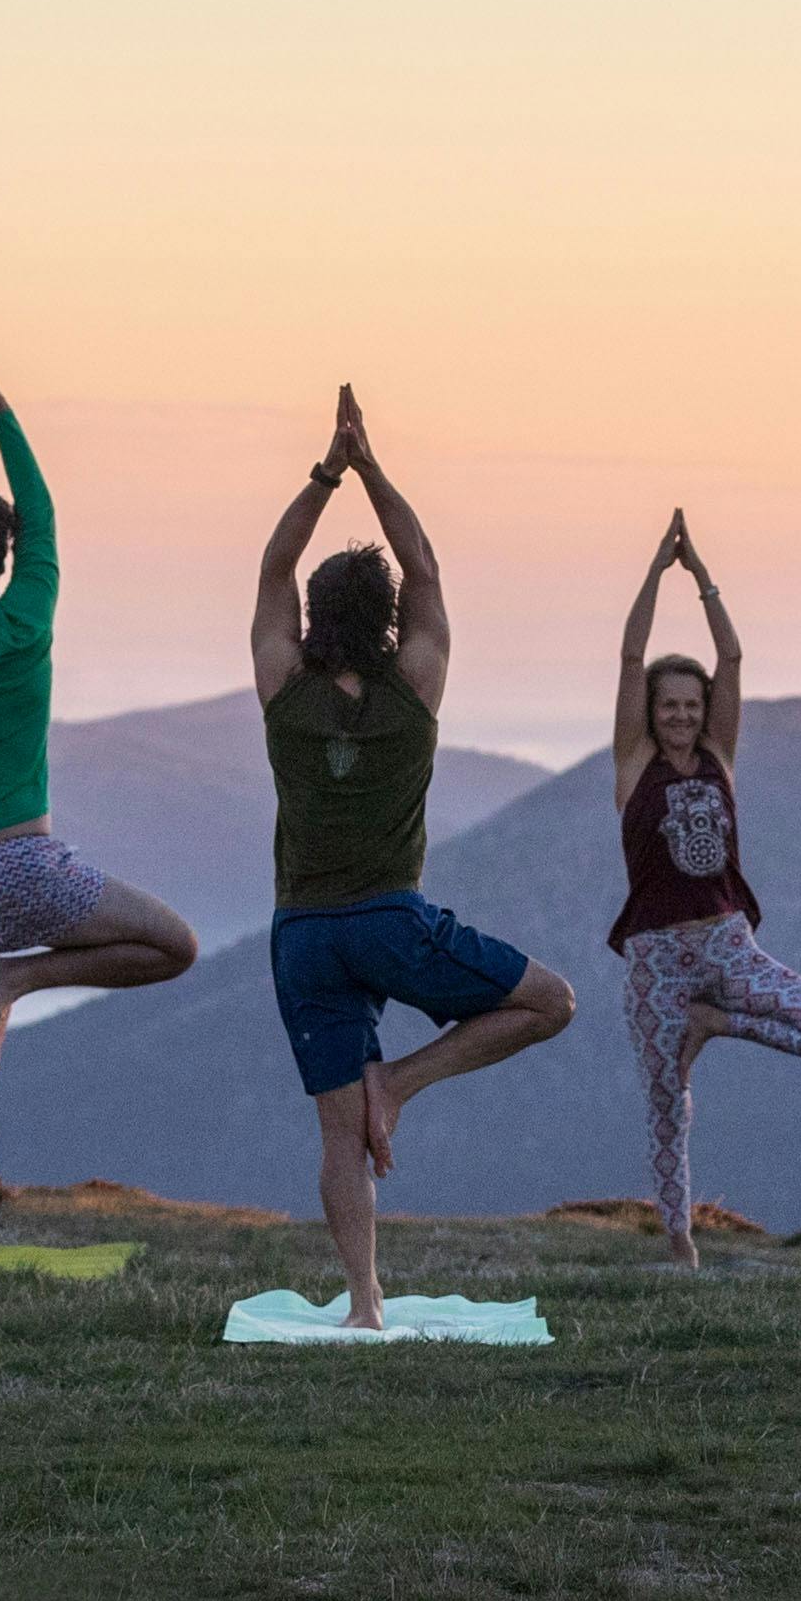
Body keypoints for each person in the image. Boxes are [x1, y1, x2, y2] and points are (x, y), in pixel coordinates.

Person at [250, 385, 573, 1329]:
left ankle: (365, 1305)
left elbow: (273, 565)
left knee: (338, 1138)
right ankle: (401, 1081)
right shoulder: (415, 687)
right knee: (550, 1002)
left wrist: (327, 473)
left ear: (313, 620)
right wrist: (372, 467)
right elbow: (423, 564)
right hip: (391, 922)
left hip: (302, 936)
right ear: (389, 620)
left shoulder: (283, 688)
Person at [0, 328, 198, 1261]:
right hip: (27, 869)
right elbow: (45, 519)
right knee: (175, 946)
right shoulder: (25, 623)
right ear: (5, 559)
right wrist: (2, 413)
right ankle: (23, 979)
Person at [604, 509, 801, 1270]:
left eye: (691, 703)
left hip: (728, 946)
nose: (682, 714)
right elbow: (630, 657)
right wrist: (655, 570)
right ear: (652, 714)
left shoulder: (720, 754)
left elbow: (733, 655)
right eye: (669, 705)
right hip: (656, 959)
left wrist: (704, 579)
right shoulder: (633, 766)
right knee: (666, 1105)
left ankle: (715, 1023)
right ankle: (679, 1239)